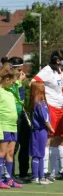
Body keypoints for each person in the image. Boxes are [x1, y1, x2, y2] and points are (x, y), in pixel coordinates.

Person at [32, 50, 63, 182]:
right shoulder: (47, 70)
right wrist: (41, 101)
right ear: (57, 60)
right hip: (51, 107)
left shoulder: (59, 71)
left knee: (60, 139)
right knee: (48, 140)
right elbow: (33, 82)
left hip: (60, 108)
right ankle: (43, 172)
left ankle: (56, 171)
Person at [0, 63, 21, 189]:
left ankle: (8, 179)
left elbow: (18, 101)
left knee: (10, 152)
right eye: (13, 81)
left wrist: (17, 84)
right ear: (6, 79)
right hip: (3, 127)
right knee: (1, 152)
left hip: (13, 127)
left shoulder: (10, 92)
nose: (14, 83)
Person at [5, 57, 30, 181]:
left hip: (21, 113)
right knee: (13, 146)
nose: (21, 72)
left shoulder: (17, 79)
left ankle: (24, 172)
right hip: (13, 115)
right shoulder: (9, 80)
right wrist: (19, 81)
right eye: (19, 69)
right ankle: (10, 174)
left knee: (26, 142)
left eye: (21, 69)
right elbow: (19, 97)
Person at [28, 81, 55, 185]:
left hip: (40, 131)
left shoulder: (37, 103)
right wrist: (51, 129)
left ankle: (41, 177)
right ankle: (36, 177)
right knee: (37, 154)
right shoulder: (40, 104)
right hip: (39, 131)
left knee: (40, 154)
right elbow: (45, 119)